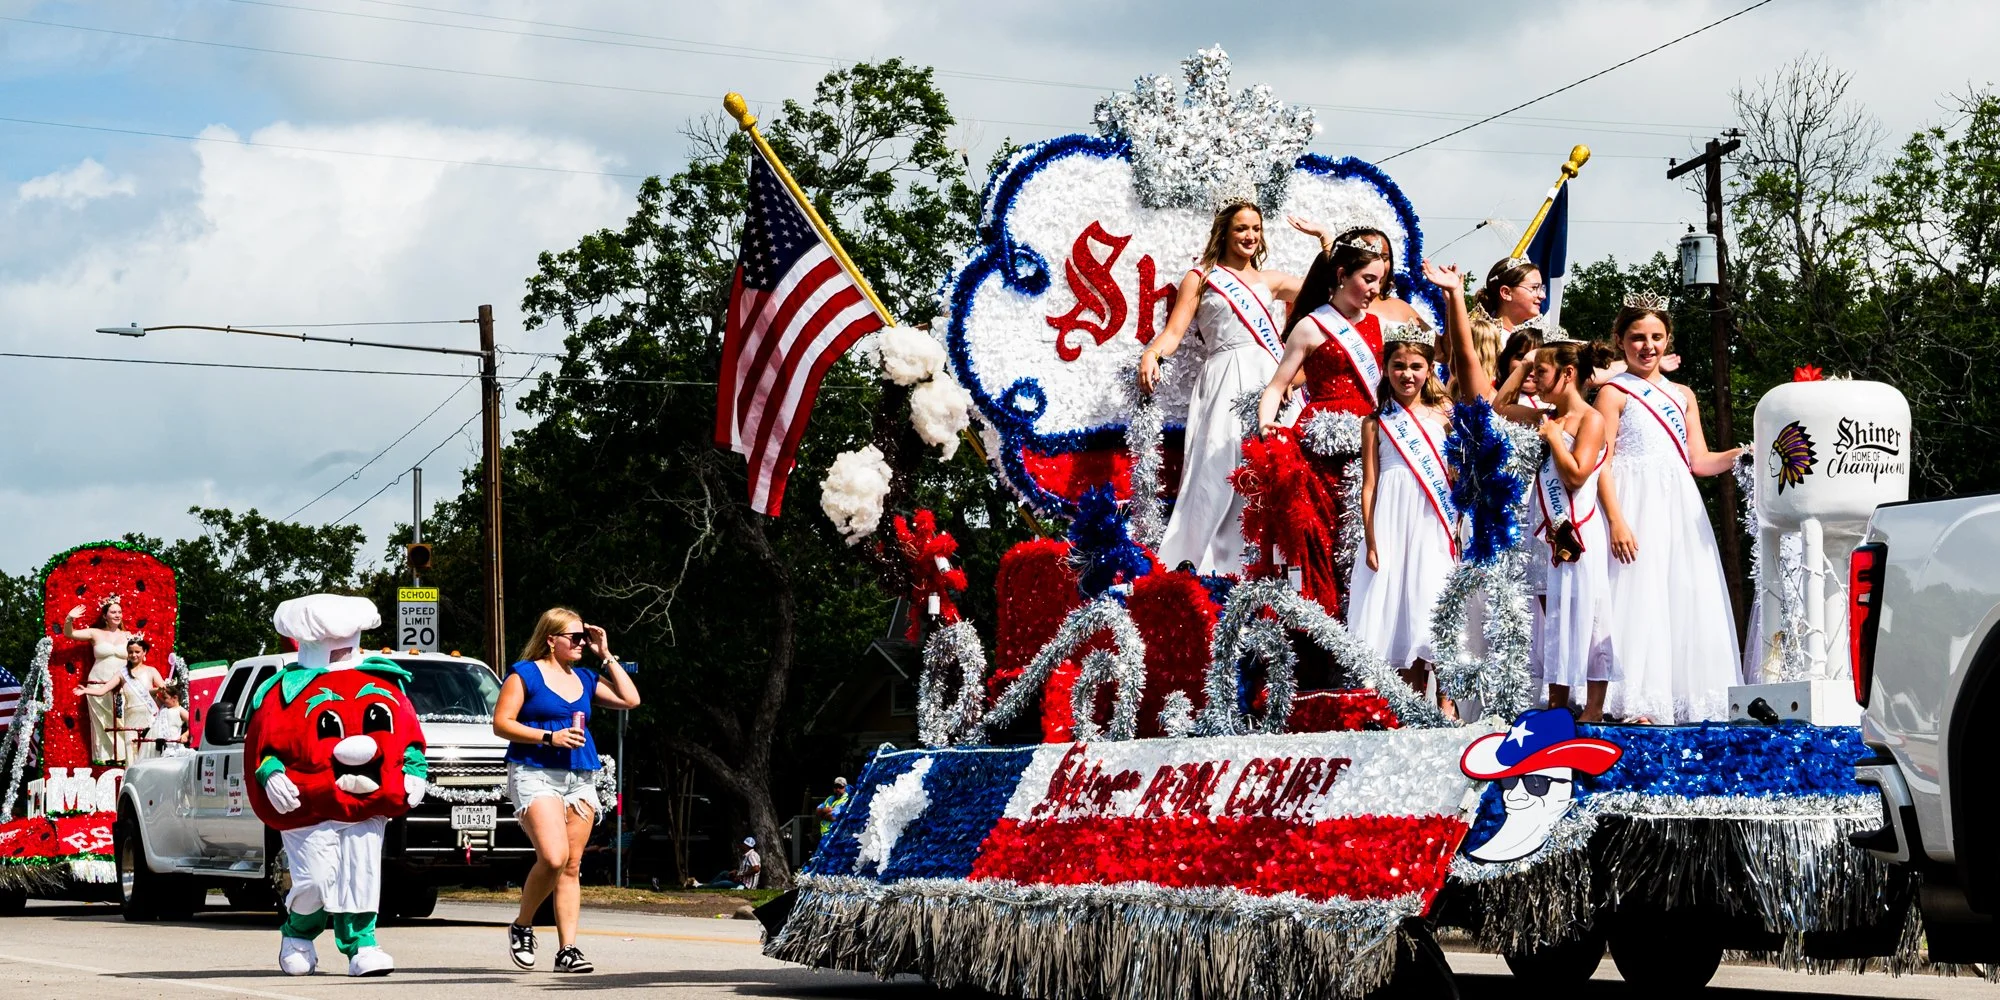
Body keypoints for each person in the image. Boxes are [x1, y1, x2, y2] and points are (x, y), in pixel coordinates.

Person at [1139, 203, 1311, 576]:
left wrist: (1324, 240)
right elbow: (1173, 333)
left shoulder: (1272, 280)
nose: (1250, 236)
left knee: (1274, 467)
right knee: (1218, 468)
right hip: (1223, 380)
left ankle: (1277, 564)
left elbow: (1327, 293)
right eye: (1241, 229)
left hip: (1269, 377)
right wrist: (1152, 353)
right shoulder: (1201, 278)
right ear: (1225, 232)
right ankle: (1208, 566)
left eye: (1255, 228)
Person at [1594, 298, 1744, 723]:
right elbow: (1600, 464)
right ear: (1620, 342)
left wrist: (1740, 455)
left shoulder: (1682, 395)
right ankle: (1634, 700)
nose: (1647, 346)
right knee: (1637, 595)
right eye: (1637, 337)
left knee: (1679, 592)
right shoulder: (1613, 392)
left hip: (1677, 504)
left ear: (1668, 341)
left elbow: (1699, 460)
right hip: (1633, 502)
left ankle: (1685, 698)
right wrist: (1616, 519)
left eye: (1656, 337)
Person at [1236, 234, 1392, 613]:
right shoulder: (1310, 326)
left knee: (1362, 539)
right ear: (1342, 274)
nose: (1375, 289)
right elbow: (1277, 386)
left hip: (1367, 445)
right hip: (1318, 452)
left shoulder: (1380, 326)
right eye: (1368, 279)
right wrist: (1266, 427)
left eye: (1380, 281)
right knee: (1319, 539)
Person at [493, 607, 641, 974]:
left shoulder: (587, 678)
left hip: (580, 776)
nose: (580, 643)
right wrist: (549, 736)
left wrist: (605, 654)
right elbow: (501, 723)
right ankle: (523, 925)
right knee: (554, 857)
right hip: (535, 771)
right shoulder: (525, 674)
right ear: (550, 639)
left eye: (583, 637)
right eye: (573, 637)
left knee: (572, 866)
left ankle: (568, 950)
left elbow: (631, 699)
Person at [1345, 328, 1458, 701]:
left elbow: (1456, 476)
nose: (1407, 374)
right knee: (1398, 607)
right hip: (1391, 521)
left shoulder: (1445, 417)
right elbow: (1370, 485)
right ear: (1387, 369)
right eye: (1398, 366)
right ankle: (1407, 702)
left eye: (1415, 366)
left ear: (1429, 370)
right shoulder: (1375, 422)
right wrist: (1371, 539)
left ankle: (1446, 702)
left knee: (1434, 596)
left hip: (1432, 518)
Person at [1524, 341, 1616, 720]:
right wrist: (1523, 368)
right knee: (1554, 621)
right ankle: (1557, 704)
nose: (1534, 379)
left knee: (1590, 617)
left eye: (1541, 372)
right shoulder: (1549, 418)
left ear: (1568, 375)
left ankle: (1593, 708)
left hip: (1575, 530)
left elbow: (1577, 475)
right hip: (1545, 532)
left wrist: (1552, 441)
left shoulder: (1591, 419)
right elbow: (1497, 406)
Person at [62, 594, 136, 764]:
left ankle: (124, 757)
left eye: (119, 612)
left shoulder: (128, 636)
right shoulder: (95, 633)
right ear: (105, 615)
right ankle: (104, 758)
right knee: (101, 721)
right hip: (98, 681)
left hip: (122, 683)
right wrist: (69, 618)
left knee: (122, 718)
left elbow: (137, 657)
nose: (117, 615)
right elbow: (70, 634)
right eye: (113, 612)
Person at [145, 687, 188, 754]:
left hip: (172, 745)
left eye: (165, 698)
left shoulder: (180, 710)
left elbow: (193, 724)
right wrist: (159, 690)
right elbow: (151, 693)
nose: (163, 700)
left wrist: (185, 735)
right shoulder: (163, 706)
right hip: (158, 744)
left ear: (175, 698)